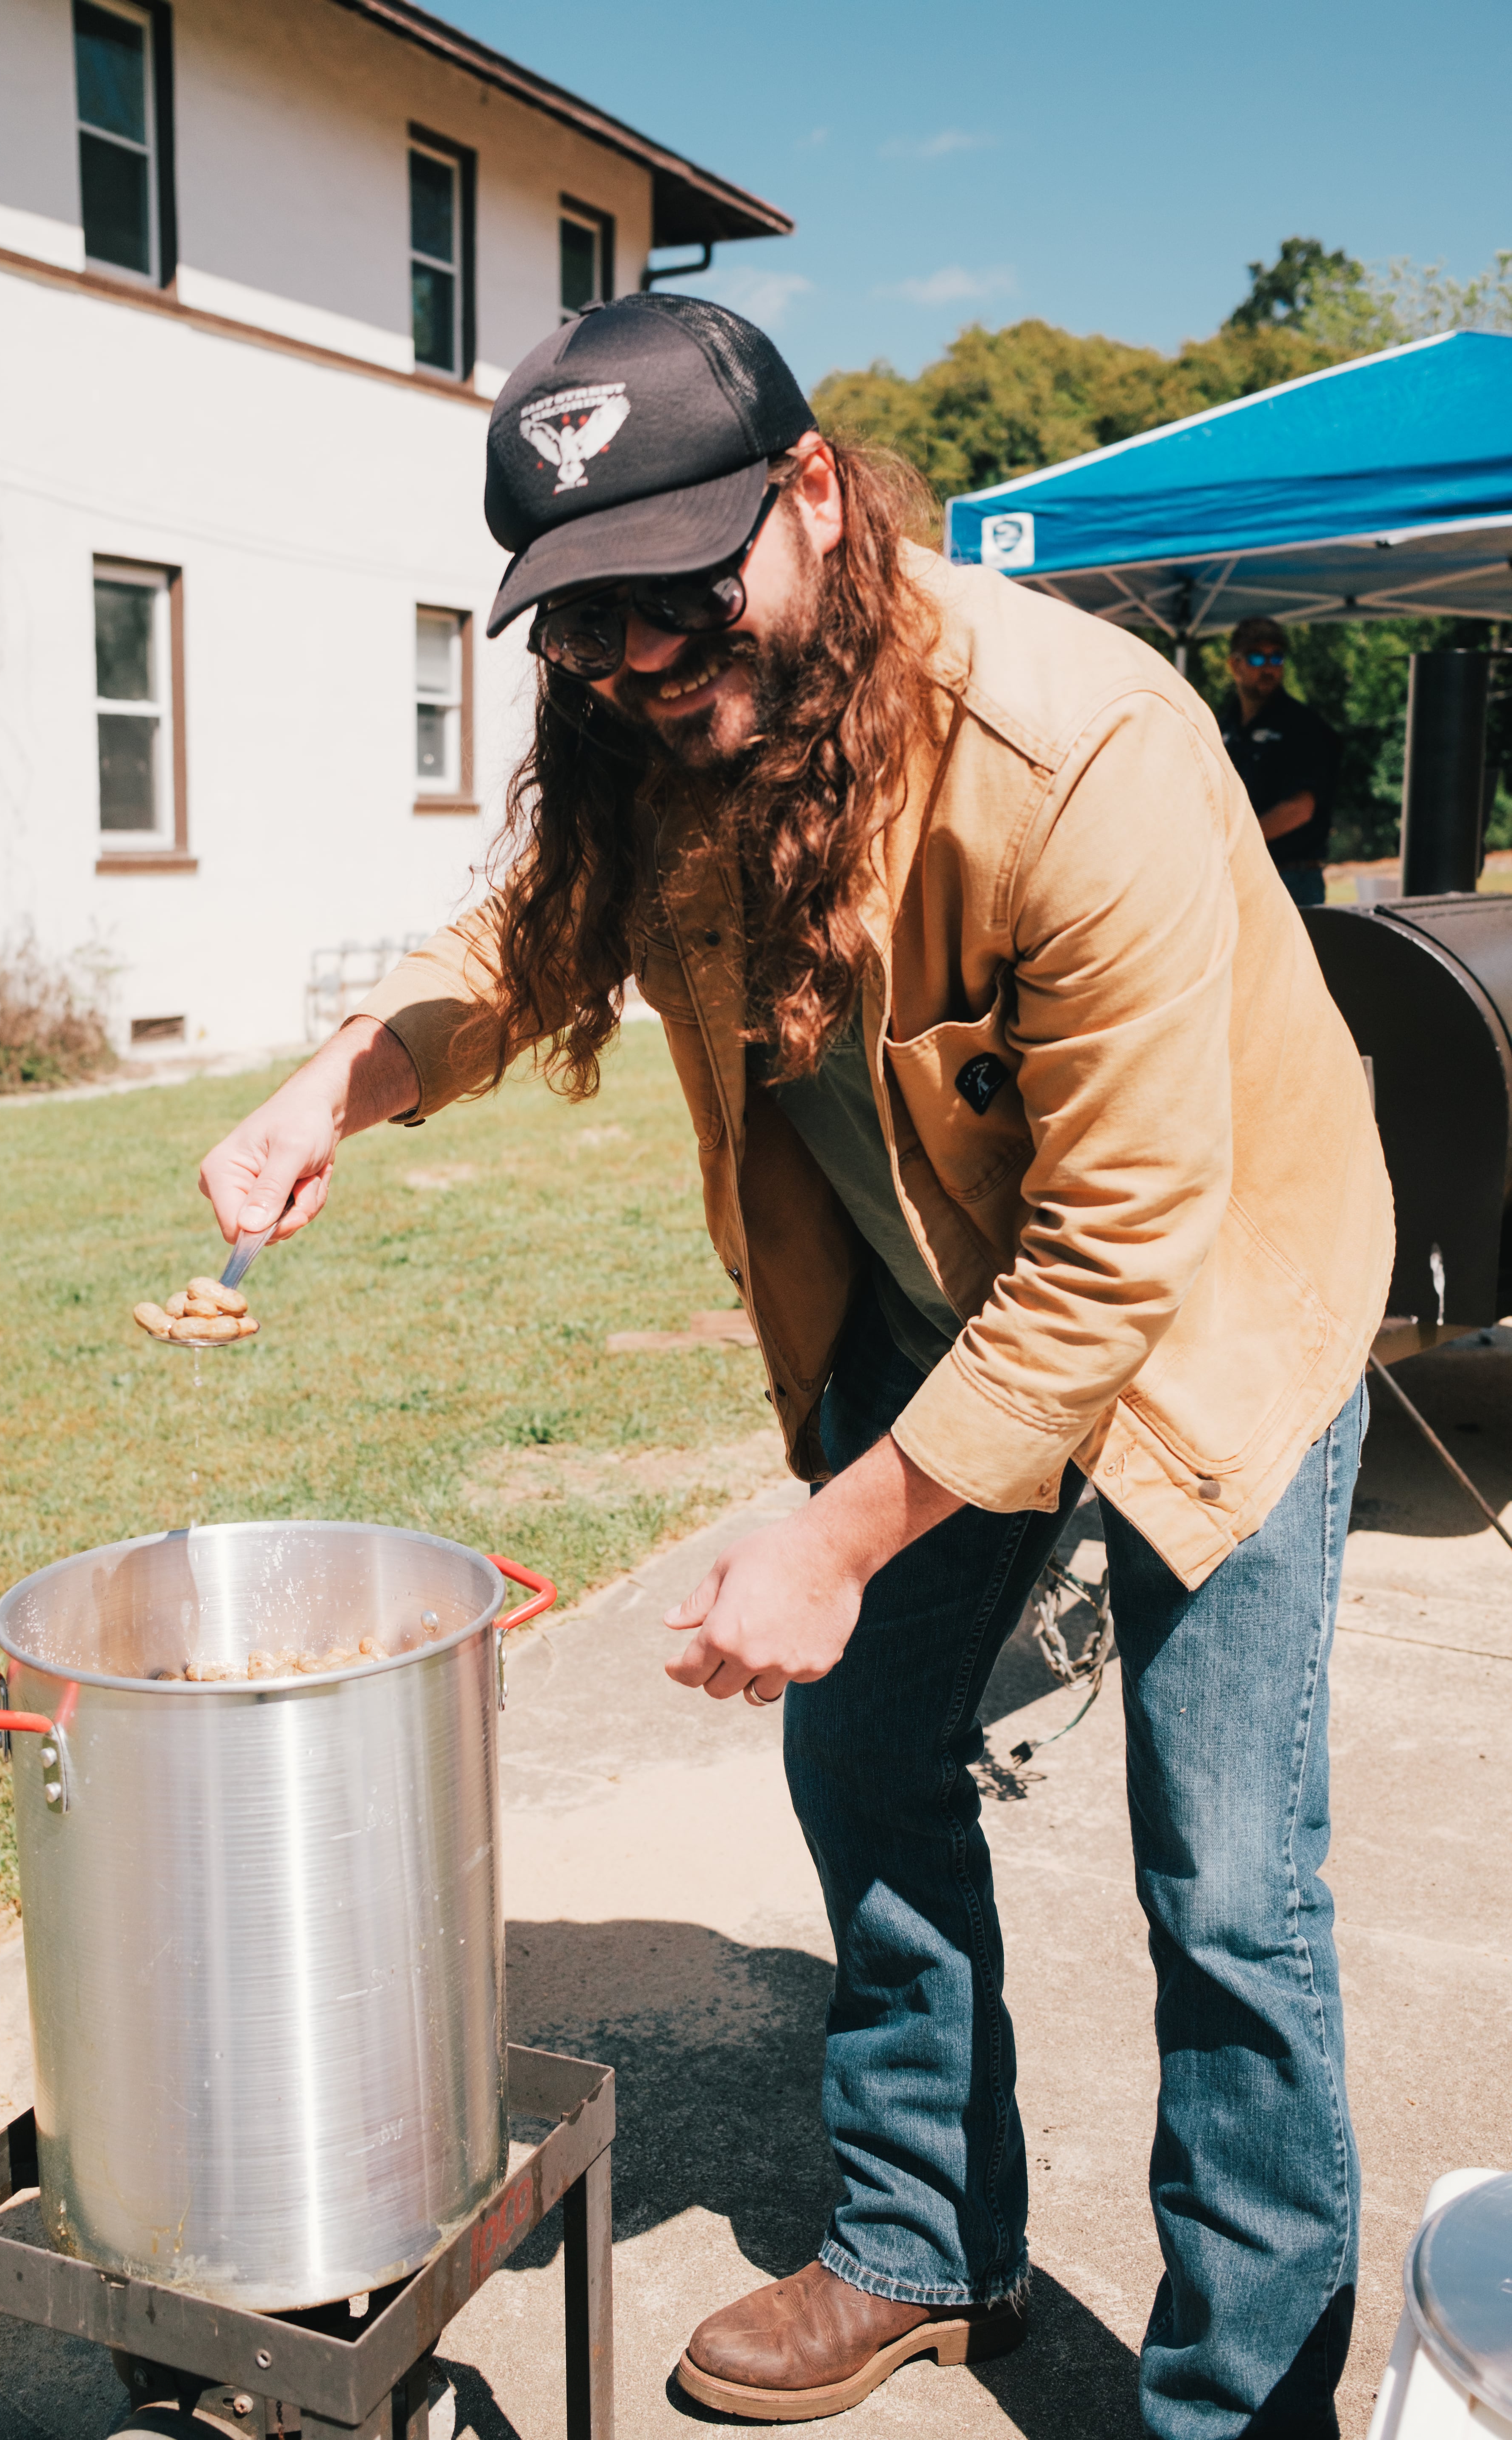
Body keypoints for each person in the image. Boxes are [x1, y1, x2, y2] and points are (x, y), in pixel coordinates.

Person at [199, 297, 1393, 2437]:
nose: (647, 667)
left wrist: (842, 1534)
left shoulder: (1082, 747)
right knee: (868, 1774)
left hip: (1217, 1315)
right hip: (931, 1309)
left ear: (817, 494)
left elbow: (1123, 1251)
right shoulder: (663, 739)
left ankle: (1245, 2404)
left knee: (1226, 1891)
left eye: (678, 597)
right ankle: (931, 2245)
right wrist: (331, 1092)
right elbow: (520, 944)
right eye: (588, 630)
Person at [1217, 616, 1342, 908]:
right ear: (1235, 665)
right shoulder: (1222, 727)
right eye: (1257, 657)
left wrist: (1231, 844)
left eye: (1277, 657)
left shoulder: (1304, 727)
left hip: (1291, 878)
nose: (1269, 667)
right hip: (1235, 873)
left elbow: (1300, 809)